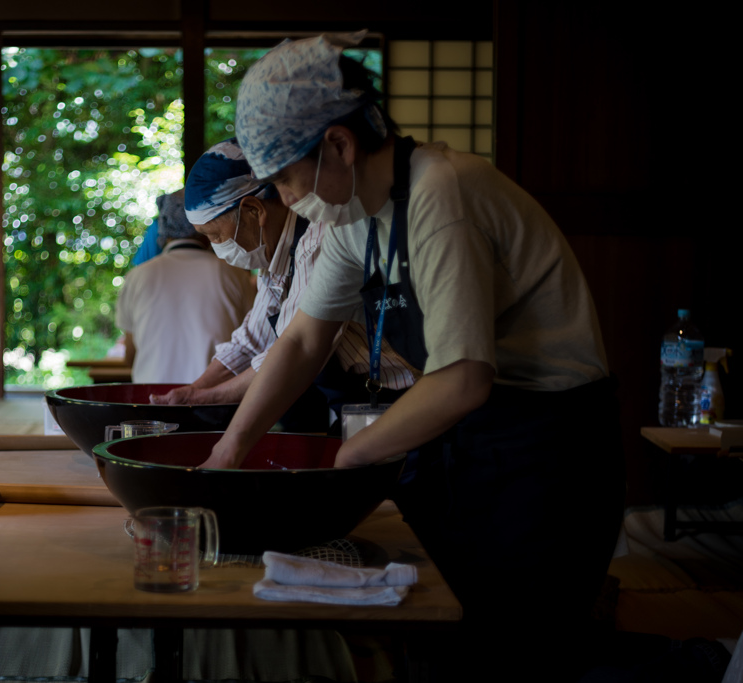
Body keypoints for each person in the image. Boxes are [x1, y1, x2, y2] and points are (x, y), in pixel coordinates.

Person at [202, 32, 626, 681]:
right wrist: (227, 453)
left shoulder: (439, 195)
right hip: (477, 431)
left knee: (528, 646)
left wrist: (346, 462)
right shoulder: (350, 217)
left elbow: (461, 378)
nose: (285, 199)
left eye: (286, 177)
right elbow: (303, 341)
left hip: (552, 437)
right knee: (448, 625)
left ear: (340, 145)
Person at [149, 139, 417, 432]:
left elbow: (293, 350)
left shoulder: (320, 240)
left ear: (254, 210)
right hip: (361, 402)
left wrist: (205, 398)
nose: (216, 248)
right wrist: (192, 391)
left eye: (214, 236)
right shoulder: (274, 254)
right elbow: (251, 339)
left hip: (412, 399)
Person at [115, 189, 254, 384]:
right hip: (214, 398)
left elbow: (130, 356)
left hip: (152, 399)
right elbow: (254, 341)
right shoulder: (233, 272)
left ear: (164, 229)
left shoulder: (137, 276)